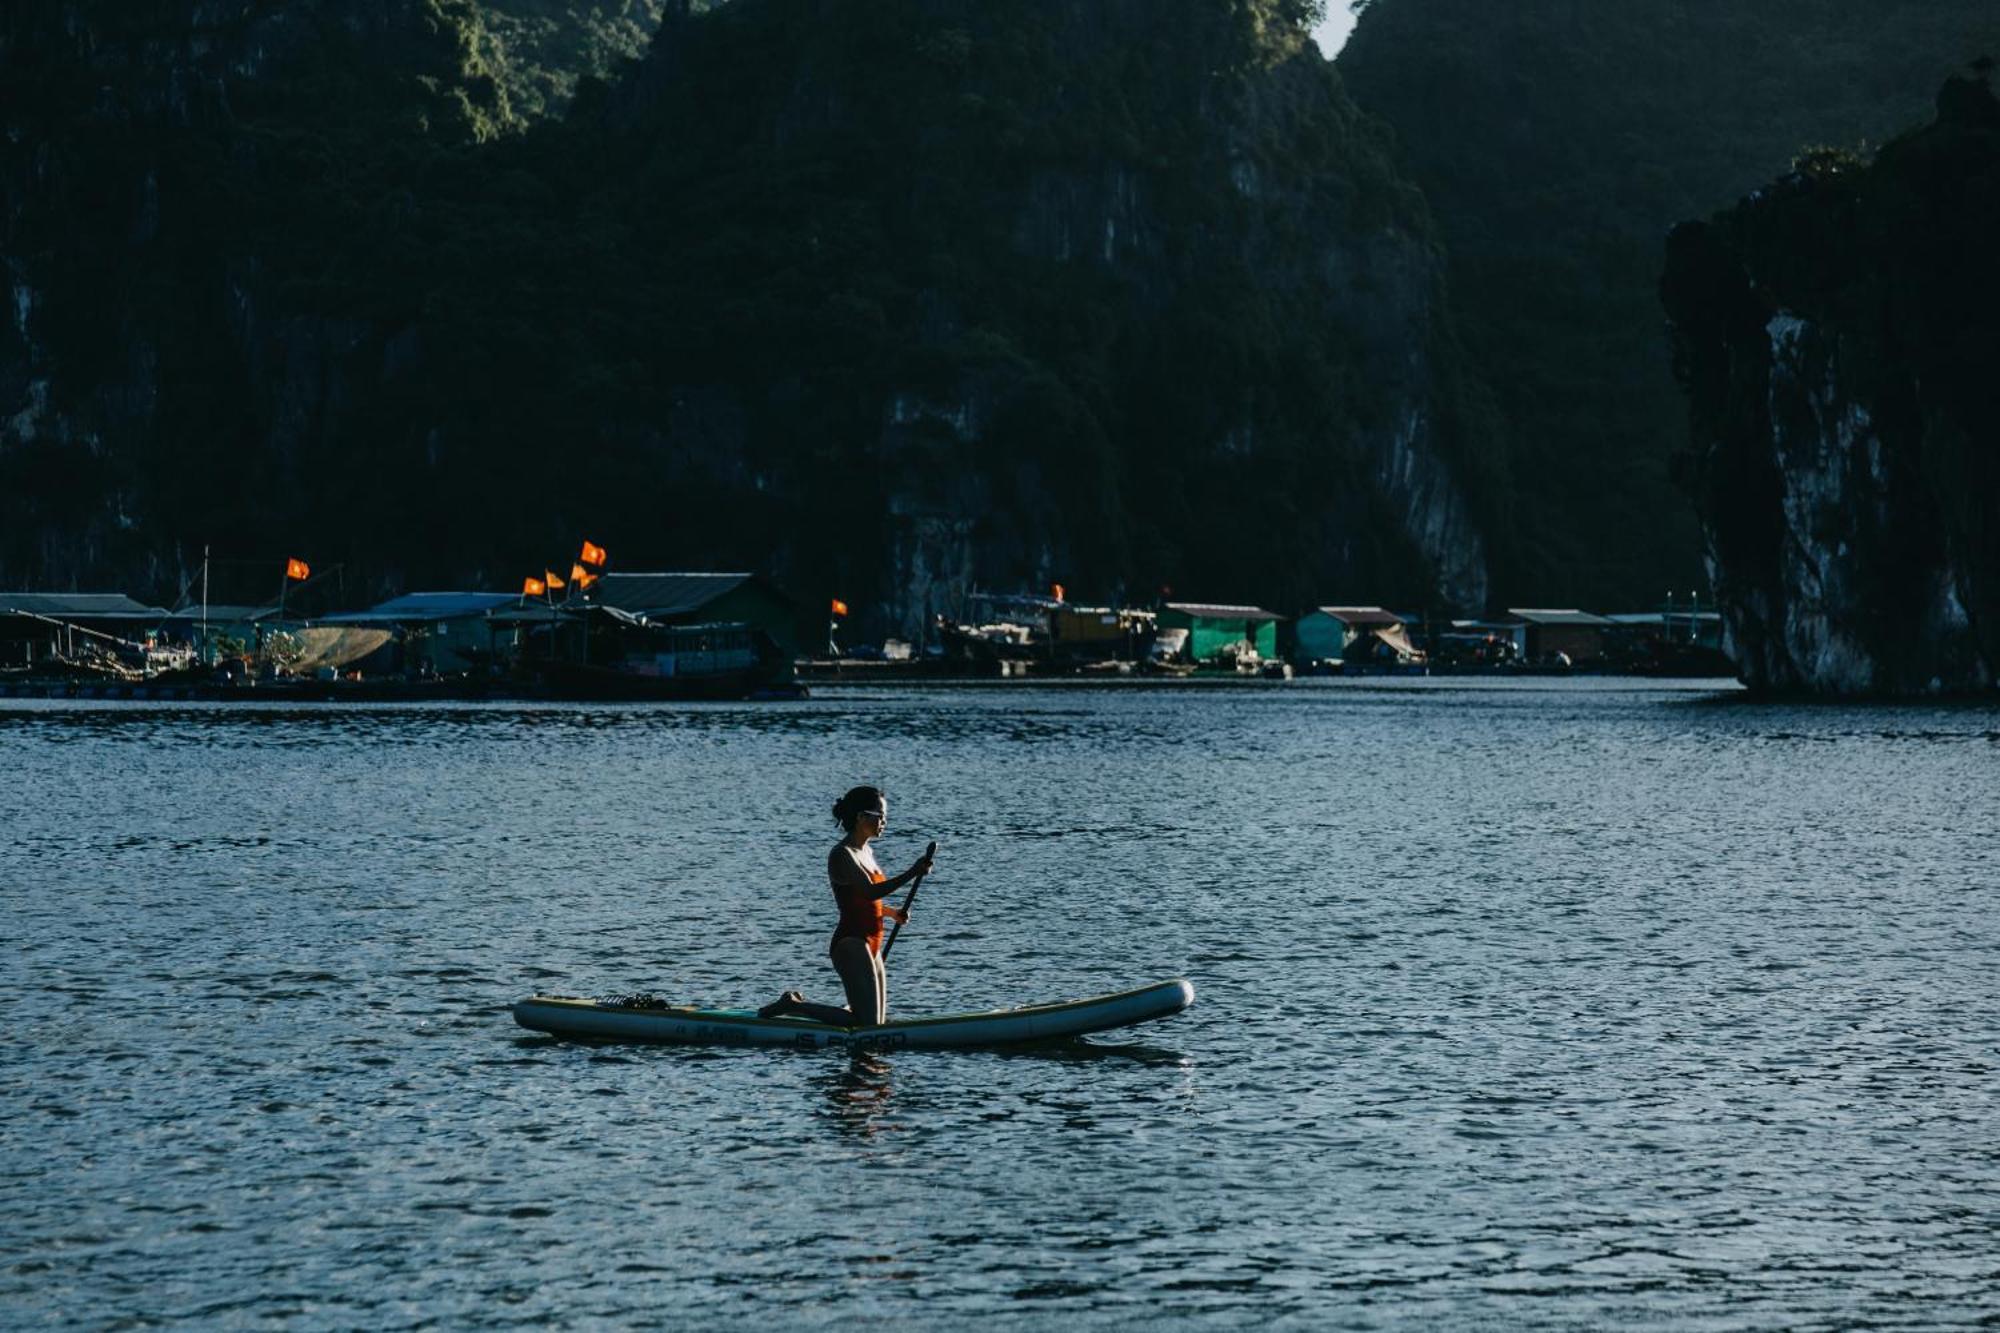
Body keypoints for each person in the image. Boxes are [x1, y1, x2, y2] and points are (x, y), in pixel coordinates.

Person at [759, 786, 936, 1026]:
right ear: (861, 817)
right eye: (879, 815)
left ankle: (820, 1010)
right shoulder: (842, 854)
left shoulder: (867, 852)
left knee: (877, 1024)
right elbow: (869, 891)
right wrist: (913, 872)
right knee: (867, 1025)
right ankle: (792, 1006)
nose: (884, 821)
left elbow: (864, 902)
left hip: (873, 942)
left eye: (885, 816)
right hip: (852, 943)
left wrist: (891, 913)